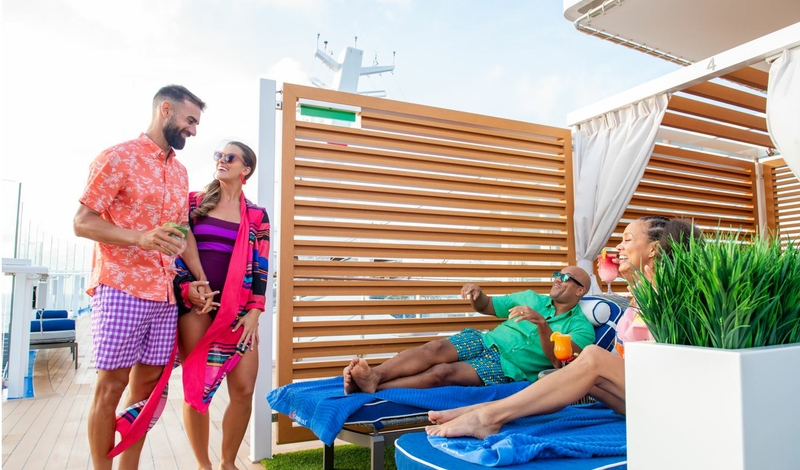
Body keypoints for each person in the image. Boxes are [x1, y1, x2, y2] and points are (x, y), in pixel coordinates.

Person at [425, 216, 702, 439]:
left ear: (653, 249)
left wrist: (594, 362)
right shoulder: (640, 296)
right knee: (579, 369)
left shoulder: (673, 297)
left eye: (627, 239)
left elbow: (669, 362)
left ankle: (487, 417)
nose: (618, 247)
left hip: (662, 399)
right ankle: (484, 409)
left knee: (593, 355)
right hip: (636, 396)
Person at [74, 85, 207, 469]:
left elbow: (184, 235)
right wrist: (141, 238)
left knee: (146, 393)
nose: (194, 131)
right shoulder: (116, 158)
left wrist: (198, 277)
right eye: (190, 121)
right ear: (166, 110)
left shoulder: (180, 173)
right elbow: (82, 223)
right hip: (120, 289)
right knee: (110, 389)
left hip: (164, 296)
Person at [344, 266, 595, 394]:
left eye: (565, 278)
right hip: (486, 341)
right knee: (435, 348)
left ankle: (374, 387)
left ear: (580, 290)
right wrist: (477, 294)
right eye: (556, 274)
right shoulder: (530, 297)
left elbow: (560, 364)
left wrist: (541, 324)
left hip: (508, 367)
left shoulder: (581, 328)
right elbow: (487, 306)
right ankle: (375, 375)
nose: (556, 279)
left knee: (443, 373)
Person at [173, 141, 270, 470]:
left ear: (246, 170)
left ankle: (228, 463)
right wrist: (188, 288)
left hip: (240, 310)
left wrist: (256, 310)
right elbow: (175, 250)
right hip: (196, 306)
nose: (221, 160)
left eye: (230, 157)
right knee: (197, 390)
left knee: (244, 388)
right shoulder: (193, 203)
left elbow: (261, 265)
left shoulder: (257, 215)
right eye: (218, 155)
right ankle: (204, 465)